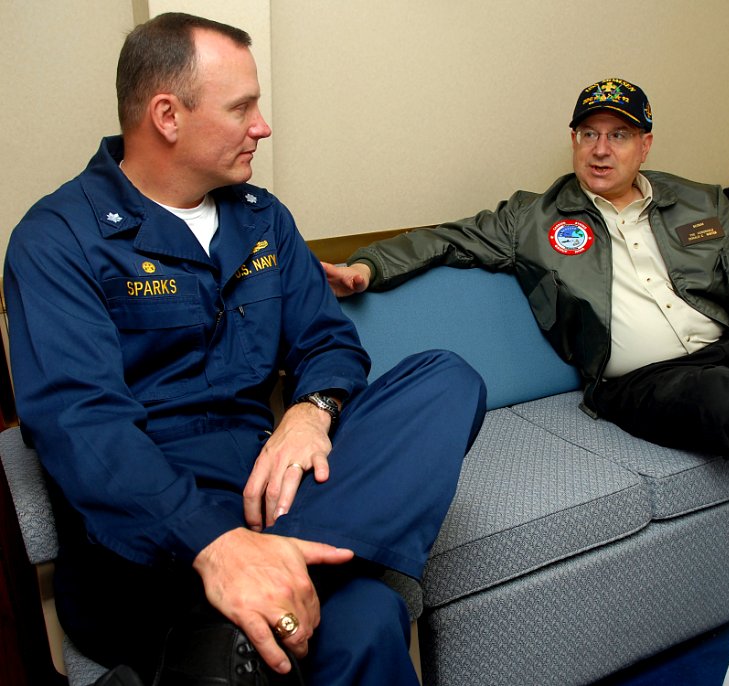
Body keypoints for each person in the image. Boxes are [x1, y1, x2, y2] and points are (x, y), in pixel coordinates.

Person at [4, 12, 485, 686]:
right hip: (147, 543)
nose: (262, 125)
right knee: (371, 614)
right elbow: (82, 426)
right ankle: (229, 619)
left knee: (447, 378)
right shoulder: (57, 239)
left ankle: (258, 596)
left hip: (271, 497)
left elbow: (329, 342)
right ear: (168, 115)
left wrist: (310, 411)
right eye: (242, 108)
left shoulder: (263, 218)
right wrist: (216, 543)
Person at [324, 77, 729, 511]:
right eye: (589, 133)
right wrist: (367, 268)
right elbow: (445, 239)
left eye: (619, 135)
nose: (601, 150)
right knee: (727, 404)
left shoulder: (699, 201)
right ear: (573, 139)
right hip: (643, 381)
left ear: (645, 143)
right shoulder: (531, 218)